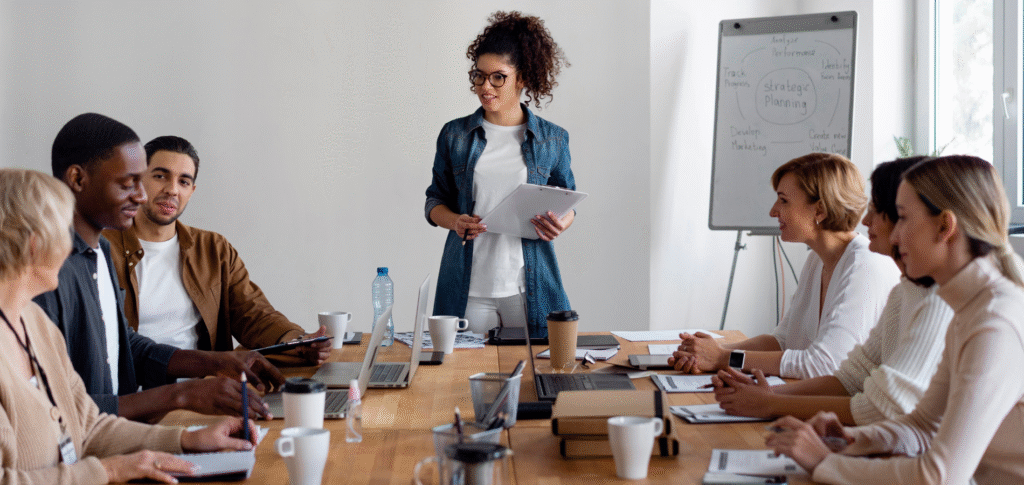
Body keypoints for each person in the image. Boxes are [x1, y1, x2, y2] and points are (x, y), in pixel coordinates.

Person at [767, 155, 1024, 484]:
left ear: (945, 227)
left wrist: (823, 461)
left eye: (902, 218)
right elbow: (921, 426)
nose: (895, 235)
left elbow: (938, 475)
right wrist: (850, 439)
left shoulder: (993, 322)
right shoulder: (969, 307)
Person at [0, 168, 258, 484]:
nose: (71, 248)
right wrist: (108, 471)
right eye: (64, 234)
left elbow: (89, 425)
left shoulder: (35, 323)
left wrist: (187, 440)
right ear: (35, 245)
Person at [34, 113, 284, 423]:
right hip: (87, 454)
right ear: (78, 179)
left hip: (122, 435)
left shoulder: (100, 252)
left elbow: (126, 346)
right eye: (129, 183)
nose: (141, 196)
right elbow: (50, 409)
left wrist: (215, 362)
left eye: (142, 182)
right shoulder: (44, 271)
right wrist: (181, 395)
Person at [712, 157, 954, 425]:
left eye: (783, 200)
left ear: (820, 211)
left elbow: (868, 397)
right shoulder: (904, 288)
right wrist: (764, 391)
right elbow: (850, 377)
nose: (866, 220)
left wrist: (731, 362)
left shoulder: (875, 268)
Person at [103, 136, 330, 365]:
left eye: (183, 182)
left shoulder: (213, 249)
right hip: (136, 394)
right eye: (160, 176)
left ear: (191, 191)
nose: (172, 190)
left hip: (208, 388)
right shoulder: (100, 250)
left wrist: (299, 341)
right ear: (138, 181)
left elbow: (253, 315)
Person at [670, 153, 900, 379]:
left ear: (819, 210)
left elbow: (825, 365)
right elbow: (782, 341)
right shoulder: (817, 260)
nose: (773, 211)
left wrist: (723, 358)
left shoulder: (865, 265)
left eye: (783, 200)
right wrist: (711, 351)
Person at [424, 11, 574, 338]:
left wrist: (562, 221)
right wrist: (455, 221)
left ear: (522, 78)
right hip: (470, 287)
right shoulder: (455, 136)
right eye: (479, 76)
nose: (485, 87)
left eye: (498, 77)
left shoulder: (553, 139)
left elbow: (568, 200)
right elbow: (435, 201)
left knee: (533, 381)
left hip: (527, 285)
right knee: (461, 381)